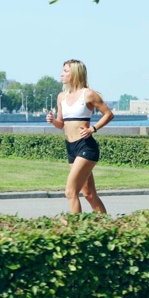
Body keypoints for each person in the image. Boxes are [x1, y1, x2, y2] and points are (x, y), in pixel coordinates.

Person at [46, 59, 114, 214]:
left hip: (86, 147)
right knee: (89, 194)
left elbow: (109, 114)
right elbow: (61, 124)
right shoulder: (61, 96)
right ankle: (105, 228)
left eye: (65, 71)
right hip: (71, 147)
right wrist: (52, 121)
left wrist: (93, 129)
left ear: (75, 73)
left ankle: (74, 231)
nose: (61, 74)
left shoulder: (88, 94)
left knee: (70, 192)